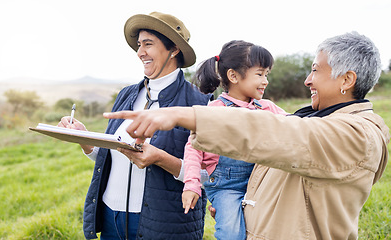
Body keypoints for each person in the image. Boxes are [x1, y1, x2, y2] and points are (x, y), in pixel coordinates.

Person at [103, 31, 390, 239]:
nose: (307, 80)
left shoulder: (357, 134)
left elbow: (274, 132)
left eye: (315, 70)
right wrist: (241, 203)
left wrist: (183, 115)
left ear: (347, 80)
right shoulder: (319, 118)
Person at [58, 12, 211, 240]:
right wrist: (84, 139)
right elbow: (113, 154)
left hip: (164, 224)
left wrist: (161, 159)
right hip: (112, 216)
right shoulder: (128, 94)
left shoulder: (201, 102)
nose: (140, 52)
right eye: (139, 45)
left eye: (148, 44)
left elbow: (212, 175)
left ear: (174, 49)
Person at [181, 40, 286, 240]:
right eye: (260, 74)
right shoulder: (215, 111)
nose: (265, 81)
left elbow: (296, 125)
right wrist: (191, 185)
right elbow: (193, 149)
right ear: (233, 75)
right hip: (226, 187)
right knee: (231, 233)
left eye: (267, 75)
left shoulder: (266, 108)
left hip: (261, 182)